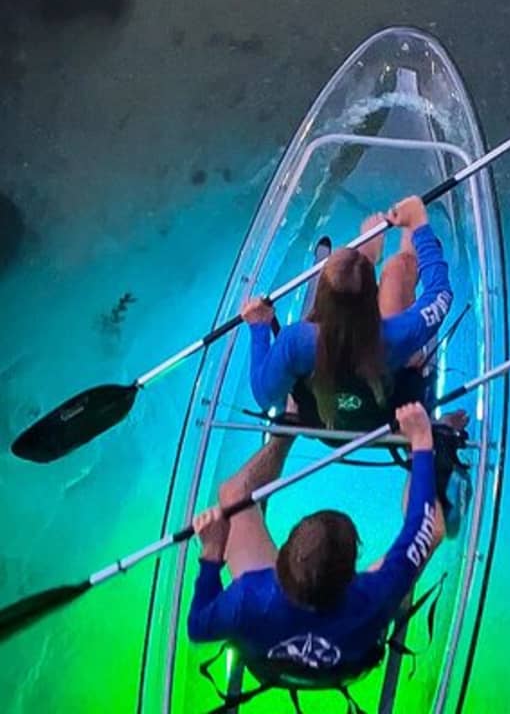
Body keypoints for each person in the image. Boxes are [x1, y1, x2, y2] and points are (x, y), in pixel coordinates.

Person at [187, 402, 445, 680]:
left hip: (268, 663)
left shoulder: (248, 597)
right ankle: (411, 455)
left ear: (282, 557)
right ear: (353, 576)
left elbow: (198, 627)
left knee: (233, 494)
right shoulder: (376, 593)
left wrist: (212, 552)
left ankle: (287, 428)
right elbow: (423, 524)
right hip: (349, 662)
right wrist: (421, 441)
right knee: (431, 533)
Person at [241, 195, 453, 430]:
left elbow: (265, 398)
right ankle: (386, 257)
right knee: (398, 269)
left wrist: (259, 326)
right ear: (372, 295)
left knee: (349, 278)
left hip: (325, 424)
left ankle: (366, 256)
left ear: (320, 297)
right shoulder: (400, 334)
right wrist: (418, 225)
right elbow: (440, 294)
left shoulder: (296, 341)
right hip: (386, 418)